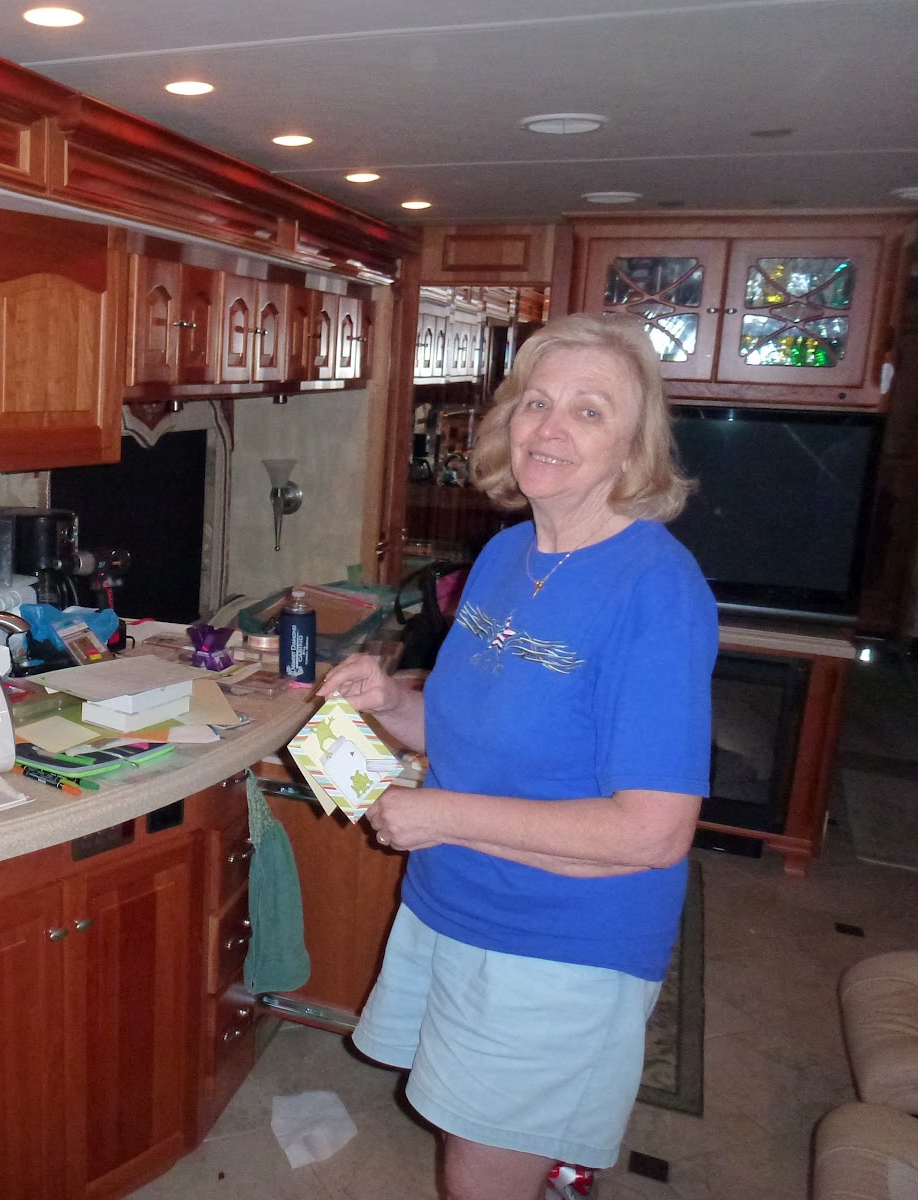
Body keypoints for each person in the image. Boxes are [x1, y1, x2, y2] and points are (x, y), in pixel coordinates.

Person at [320, 313, 717, 1200]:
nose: (549, 428)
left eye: (588, 411)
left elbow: (653, 832)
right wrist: (391, 703)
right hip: (451, 903)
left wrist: (440, 815)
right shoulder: (506, 554)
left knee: (480, 1174)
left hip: (559, 941)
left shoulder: (657, 589)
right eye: (536, 402)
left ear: (633, 448)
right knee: (471, 1127)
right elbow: (468, 730)